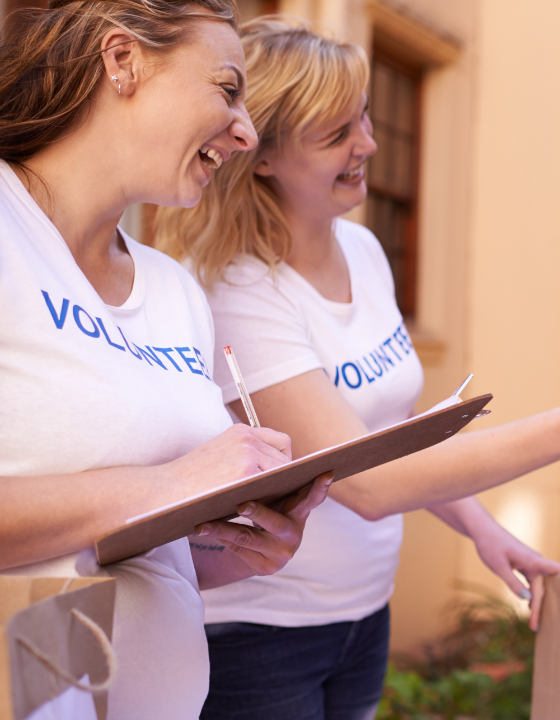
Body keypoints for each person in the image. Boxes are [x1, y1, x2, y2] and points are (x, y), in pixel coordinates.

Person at [155, 18, 560, 720]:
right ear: (260, 157)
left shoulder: (361, 249)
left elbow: (390, 425)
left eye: (363, 118)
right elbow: (372, 483)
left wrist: (484, 530)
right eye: (335, 136)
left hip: (363, 616)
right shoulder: (241, 293)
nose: (368, 146)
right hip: (262, 636)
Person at [0, 2, 331, 718]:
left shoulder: (176, 291)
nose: (246, 131)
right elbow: (148, 491)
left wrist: (229, 552)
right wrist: (173, 482)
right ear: (123, 61)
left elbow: (121, 554)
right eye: (227, 89)